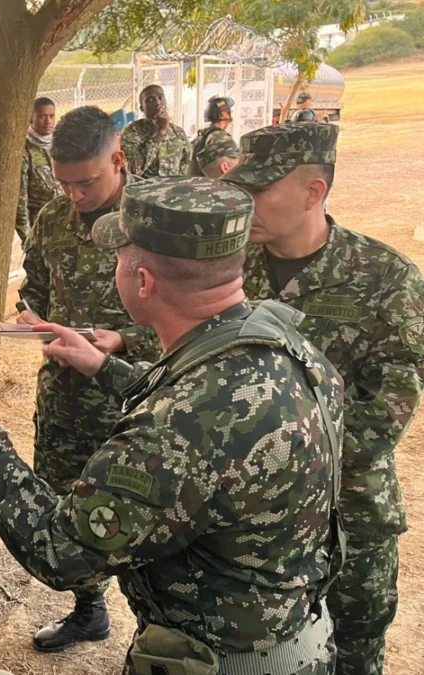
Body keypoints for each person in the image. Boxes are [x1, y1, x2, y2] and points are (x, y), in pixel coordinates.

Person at [0, 176, 345, 675]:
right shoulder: (283, 342)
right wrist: (103, 367)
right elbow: (214, 418)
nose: (115, 271)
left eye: (120, 260)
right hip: (296, 645)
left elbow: (62, 552)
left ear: (143, 281)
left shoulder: (174, 431)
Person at [225, 122, 424, 675]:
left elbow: (389, 409)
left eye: (261, 190)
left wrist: (281, 458)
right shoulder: (232, 269)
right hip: (258, 527)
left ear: (314, 192)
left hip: (351, 516)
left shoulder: (384, 278)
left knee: (355, 649)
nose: (247, 204)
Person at [17, 105, 159, 653]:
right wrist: (38, 326)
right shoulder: (52, 218)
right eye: (65, 183)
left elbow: (194, 313)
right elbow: (36, 291)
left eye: (87, 182)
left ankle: (157, 629)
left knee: (147, 513)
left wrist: (122, 340)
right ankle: (89, 610)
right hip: (67, 395)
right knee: (72, 504)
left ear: (118, 159)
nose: (75, 194)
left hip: (137, 395)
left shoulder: (157, 219)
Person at [16, 97, 63, 246]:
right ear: (31, 118)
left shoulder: (61, 145)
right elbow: (20, 202)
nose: (48, 121)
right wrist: (28, 240)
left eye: (51, 116)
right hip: (41, 228)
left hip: (66, 223)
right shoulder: (24, 152)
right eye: (42, 116)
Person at [120, 85, 190, 178]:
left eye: (161, 97)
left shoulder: (178, 132)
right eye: (150, 100)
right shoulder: (132, 131)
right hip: (144, 190)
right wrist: (160, 132)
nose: (157, 102)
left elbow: (185, 164)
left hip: (173, 189)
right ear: (142, 108)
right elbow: (132, 170)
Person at [190, 96, 239, 177]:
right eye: (229, 111)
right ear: (222, 114)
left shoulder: (200, 134)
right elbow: (231, 165)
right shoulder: (220, 137)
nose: (231, 114)